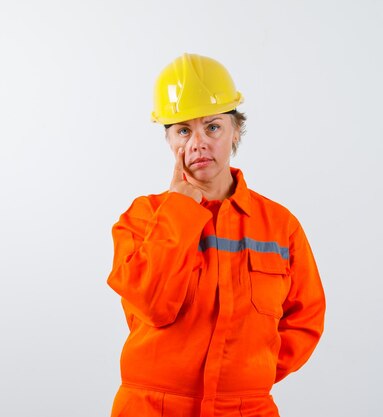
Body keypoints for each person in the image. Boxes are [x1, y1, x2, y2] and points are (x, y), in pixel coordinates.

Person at [107, 53, 326, 417]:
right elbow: (152, 304)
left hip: (246, 408)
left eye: (212, 127)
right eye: (182, 130)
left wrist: (249, 374)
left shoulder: (279, 224)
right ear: (168, 140)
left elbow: (306, 317)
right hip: (152, 407)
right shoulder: (142, 218)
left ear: (236, 130)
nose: (198, 142)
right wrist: (179, 208)